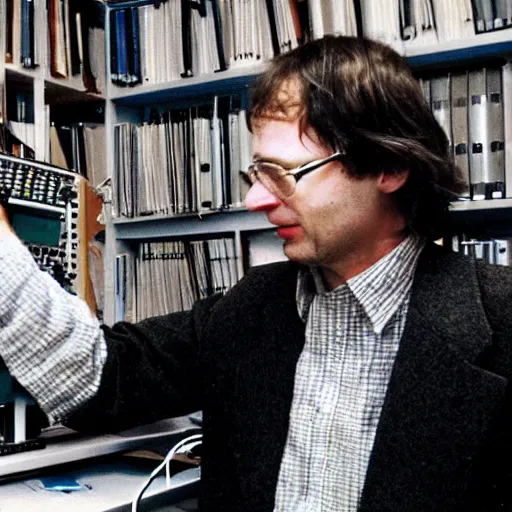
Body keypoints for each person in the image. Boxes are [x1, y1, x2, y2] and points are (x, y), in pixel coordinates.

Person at [1, 35, 512, 512]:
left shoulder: (501, 321)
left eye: (283, 174)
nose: (255, 200)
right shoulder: (249, 307)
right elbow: (101, 376)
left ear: (389, 166)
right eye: (257, 174)